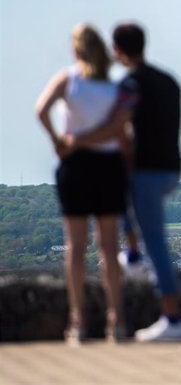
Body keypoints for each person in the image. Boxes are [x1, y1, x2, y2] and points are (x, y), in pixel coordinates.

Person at [65, 23, 181, 341]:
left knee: (154, 240)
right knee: (118, 192)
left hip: (147, 171)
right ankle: (131, 255)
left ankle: (172, 316)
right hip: (172, 169)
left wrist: (78, 141)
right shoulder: (169, 81)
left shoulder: (132, 84)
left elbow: (117, 125)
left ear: (118, 50)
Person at [36, 24, 126, 345]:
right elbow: (119, 131)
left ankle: (78, 321)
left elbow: (40, 109)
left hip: (75, 166)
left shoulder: (68, 79)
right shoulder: (113, 88)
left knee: (76, 247)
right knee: (109, 247)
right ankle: (116, 320)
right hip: (108, 165)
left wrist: (62, 141)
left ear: (76, 50)